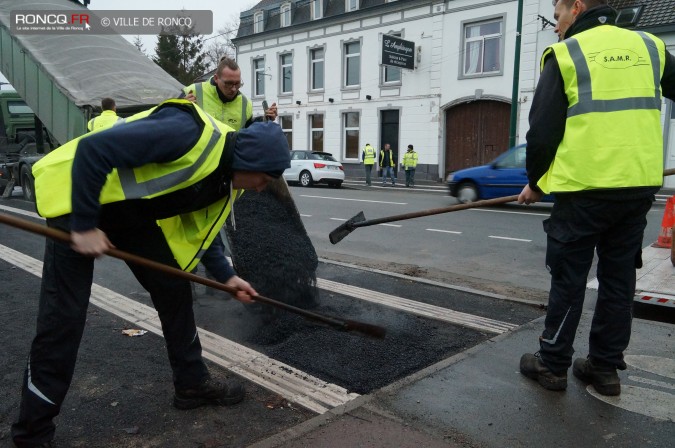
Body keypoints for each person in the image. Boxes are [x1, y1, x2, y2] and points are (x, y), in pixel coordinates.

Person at [11, 99, 291, 448]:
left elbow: (203, 232)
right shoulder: (186, 132)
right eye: (264, 179)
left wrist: (227, 278)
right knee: (63, 317)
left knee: (173, 286)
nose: (261, 188)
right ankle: (32, 433)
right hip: (78, 196)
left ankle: (191, 382)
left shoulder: (223, 181)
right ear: (250, 162)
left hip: (128, 213)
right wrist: (84, 225)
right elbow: (93, 150)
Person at [518, 0, 675, 396]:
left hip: (583, 191)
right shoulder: (650, 47)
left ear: (578, 7)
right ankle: (604, 369)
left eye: (557, 17)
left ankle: (552, 364)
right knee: (619, 280)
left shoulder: (567, 53)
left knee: (569, 279)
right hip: (636, 188)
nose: (556, 27)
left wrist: (536, 182)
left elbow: (541, 131)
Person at [181, 57, 278, 292]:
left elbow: (245, 134)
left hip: (222, 178)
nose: (234, 89)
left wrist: (264, 120)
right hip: (193, 175)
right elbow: (171, 118)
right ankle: (186, 277)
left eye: (238, 84)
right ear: (216, 79)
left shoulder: (243, 103)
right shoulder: (194, 92)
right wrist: (181, 105)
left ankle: (215, 279)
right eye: (228, 84)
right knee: (190, 227)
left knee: (214, 227)